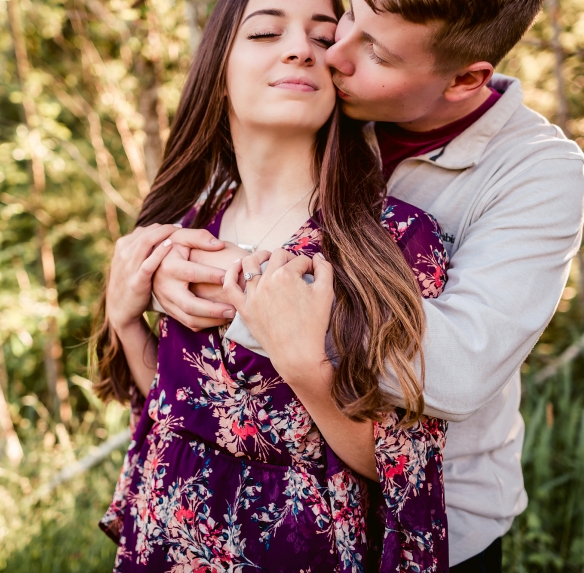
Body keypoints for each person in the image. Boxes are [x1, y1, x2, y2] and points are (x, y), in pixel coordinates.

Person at [150, 0, 584, 571]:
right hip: (239, 514)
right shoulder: (324, 110)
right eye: (348, 17)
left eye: (376, 53)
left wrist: (239, 282)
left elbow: (458, 369)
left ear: (464, 80)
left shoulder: (535, 173)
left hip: (434, 523)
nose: (331, 54)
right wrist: (158, 269)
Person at [92, 0, 453, 570]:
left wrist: (307, 369)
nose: (299, 48)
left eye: (322, 36)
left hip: (300, 550)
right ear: (218, 68)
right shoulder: (188, 226)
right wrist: (125, 320)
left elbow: (402, 471)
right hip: (171, 542)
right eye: (265, 31)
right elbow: (176, 411)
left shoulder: (392, 241)